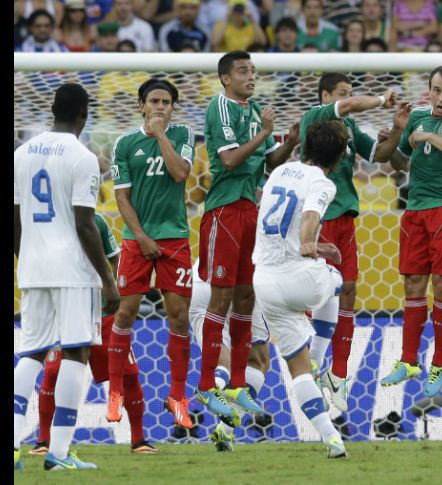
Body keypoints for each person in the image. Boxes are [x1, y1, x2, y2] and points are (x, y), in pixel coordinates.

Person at [14, 83, 120, 471]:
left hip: (33, 266)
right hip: (73, 272)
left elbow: (14, 216)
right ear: (84, 115)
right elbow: (85, 222)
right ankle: (58, 453)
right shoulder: (82, 156)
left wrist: (26, 257)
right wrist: (108, 279)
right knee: (77, 351)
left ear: (52, 111)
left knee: (33, 353)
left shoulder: (21, 154)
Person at [196, 50, 299, 419]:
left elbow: (270, 162)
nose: (251, 76)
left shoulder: (255, 112)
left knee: (246, 299)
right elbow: (229, 159)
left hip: (250, 211)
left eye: (253, 71)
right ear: (225, 78)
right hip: (224, 211)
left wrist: (289, 142)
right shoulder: (220, 107)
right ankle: (207, 384)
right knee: (220, 300)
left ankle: (238, 385)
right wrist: (265, 133)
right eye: (243, 71)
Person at [298, 73, 409, 412]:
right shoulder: (314, 119)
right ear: (325, 95)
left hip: (345, 219)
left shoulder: (348, 130)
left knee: (348, 291)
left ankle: (340, 373)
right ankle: (306, 362)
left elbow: (381, 155)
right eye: (342, 94)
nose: (347, 99)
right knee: (314, 293)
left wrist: (399, 129)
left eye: (350, 93)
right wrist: (380, 100)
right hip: (318, 218)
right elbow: (346, 106)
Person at [380, 66, 442, 399]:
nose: (441, 97)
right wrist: (393, 138)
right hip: (415, 209)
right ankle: (409, 360)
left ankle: (438, 363)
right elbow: (398, 163)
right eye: (436, 90)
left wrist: (429, 137)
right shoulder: (417, 116)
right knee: (412, 284)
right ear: (429, 89)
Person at [252, 119, 349, 458]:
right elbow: (309, 216)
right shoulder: (323, 183)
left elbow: (264, 199)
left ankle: (332, 439)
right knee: (338, 282)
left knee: (298, 369)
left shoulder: (280, 172)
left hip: (264, 281)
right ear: (338, 158)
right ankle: (322, 355)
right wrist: (312, 243)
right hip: (297, 277)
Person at [107, 78, 195, 431]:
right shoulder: (124, 144)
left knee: (179, 316)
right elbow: (122, 197)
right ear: (140, 105)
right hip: (135, 240)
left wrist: (161, 135)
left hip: (174, 238)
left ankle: (177, 395)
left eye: (166, 102)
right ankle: (115, 391)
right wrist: (141, 236)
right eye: (154, 101)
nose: (160, 107)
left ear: (173, 107)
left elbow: (180, 174)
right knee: (125, 311)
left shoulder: (183, 136)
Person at [32, 213, 157, 456]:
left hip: (103, 313)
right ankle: (43, 441)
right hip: (67, 310)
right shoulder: (48, 220)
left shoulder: (96, 220)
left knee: (129, 374)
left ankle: (138, 439)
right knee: (53, 372)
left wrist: (115, 290)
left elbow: (115, 259)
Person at [188, 259, 271, 452]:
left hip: (201, 280)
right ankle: (209, 389)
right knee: (258, 361)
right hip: (239, 280)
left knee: (223, 362)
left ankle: (224, 429)